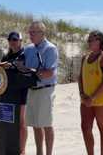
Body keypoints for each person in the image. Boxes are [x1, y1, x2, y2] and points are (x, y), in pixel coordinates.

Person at [0, 31, 28, 155]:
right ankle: (7, 147)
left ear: (21, 41)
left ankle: (22, 149)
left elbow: (16, 66)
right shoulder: (7, 56)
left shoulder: (24, 54)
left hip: (21, 93)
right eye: (10, 40)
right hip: (7, 94)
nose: (12, 42)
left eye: (15, 40)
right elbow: (2, 68)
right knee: (8, 122)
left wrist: (2, 64)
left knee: (21, 122)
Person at [24, 21, 58, 155]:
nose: (30, 34)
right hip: (31, 90)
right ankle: (39, 152)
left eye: (33, 32)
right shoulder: (28, 49)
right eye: (29, 32)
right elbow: (20, 64)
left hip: (45, 90)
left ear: (42, 33)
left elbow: (49, 72)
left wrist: (31, 71)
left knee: (46, 124)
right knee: (35, 125)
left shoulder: (50, 49)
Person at [78, 30, 103, 155]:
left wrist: (92, 97)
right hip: (86, 100)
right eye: (89, 39)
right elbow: (80, 77)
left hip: (101, 101)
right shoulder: (84, 58)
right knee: (85, 128)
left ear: (100, 41)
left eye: (92, 39)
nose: (89, 42)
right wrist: (82, 94)